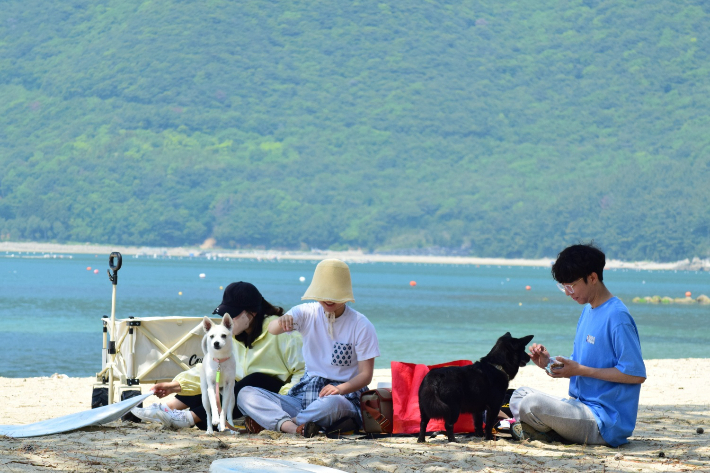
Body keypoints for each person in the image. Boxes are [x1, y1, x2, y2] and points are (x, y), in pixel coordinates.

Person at [509, 243, 646, 447]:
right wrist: (549, 363)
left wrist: (581, 370)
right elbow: (579, 363)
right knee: (519, 394)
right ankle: (550, 431)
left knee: (531, 404)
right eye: (563, 286)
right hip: (579, 407)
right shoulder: (588, 310)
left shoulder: (617, 317)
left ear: (592, 278)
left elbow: (636, 375)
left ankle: (549, 432)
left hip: (605, 422)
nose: (567, 292)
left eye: (570, 286)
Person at [131, 282, 305, 430]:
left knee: (255, 379)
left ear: (251, 313)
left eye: (232, 314)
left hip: (272, 399)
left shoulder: (284, 334)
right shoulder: (230, 336)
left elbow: (303, 372)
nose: (226, 318)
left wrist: (283, 398)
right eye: (224, 314)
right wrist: (174, 385)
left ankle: (188, 418)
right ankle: (168, 409)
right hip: (237, 398)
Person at [237, 259, 380, 437]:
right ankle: (294, 427)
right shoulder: (306, 312)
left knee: (330, 404)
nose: (328, 299)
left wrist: (340, 389)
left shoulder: (361, 325)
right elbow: (273, 330)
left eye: (335, 294)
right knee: (246, 393)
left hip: (343, 397)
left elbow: (365, 376)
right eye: (324, 293)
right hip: (304, 395)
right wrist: (282, 322)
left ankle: (285, 422)